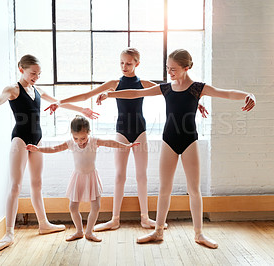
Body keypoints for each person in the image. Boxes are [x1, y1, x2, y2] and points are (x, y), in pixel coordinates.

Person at [97, 49, 256, 248]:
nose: (169, 72)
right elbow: (137, 92)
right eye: (167, 69)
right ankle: (157, 231)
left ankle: (199, 234)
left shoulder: (197, 88)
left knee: (194, 189)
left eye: (173, 69)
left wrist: (248, 95)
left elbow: (226, 93)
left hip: (189, 141)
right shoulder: (166, 88)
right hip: (168, 141)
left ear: (186, 68)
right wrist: (109, 94)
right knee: (165, 189)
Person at [45, 48, 208, 231]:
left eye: (129, 63)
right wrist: (60, 102)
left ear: (137, 64)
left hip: (140, 131)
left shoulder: (144, 83)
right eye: (122, 62)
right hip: (121, 131)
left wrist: (198, 103)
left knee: (141, 176)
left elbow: (175, 91)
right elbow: (86, 96)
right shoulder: (114, 83)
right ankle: (115, 219)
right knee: (119, 176)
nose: (124, 66)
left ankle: (145, 218)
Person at [0, 54, 99, 252]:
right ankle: (9, 232)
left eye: (39, 74)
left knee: (37, 183)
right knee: (16, 185)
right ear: (21, 69)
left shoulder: (36, 90)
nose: (36, 77)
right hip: (20, 139)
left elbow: (59, 101)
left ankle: (43, 223)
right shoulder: (13, 89)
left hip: (38, 138)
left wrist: (82, 110)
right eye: (33, 73)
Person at [26, 115, 140, 242]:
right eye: (76, 138)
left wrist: (126, 146)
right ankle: (79, 231)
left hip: (91, 177)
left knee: (96, 206)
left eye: (83, 138)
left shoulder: (94, 141)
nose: (80, 141)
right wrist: (38, 149)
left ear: (89, 133)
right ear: (72, 134)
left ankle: (89, 232)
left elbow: (110, 142)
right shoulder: (70, 143)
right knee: (73, 207)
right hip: (78, 178)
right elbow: (54, 148)